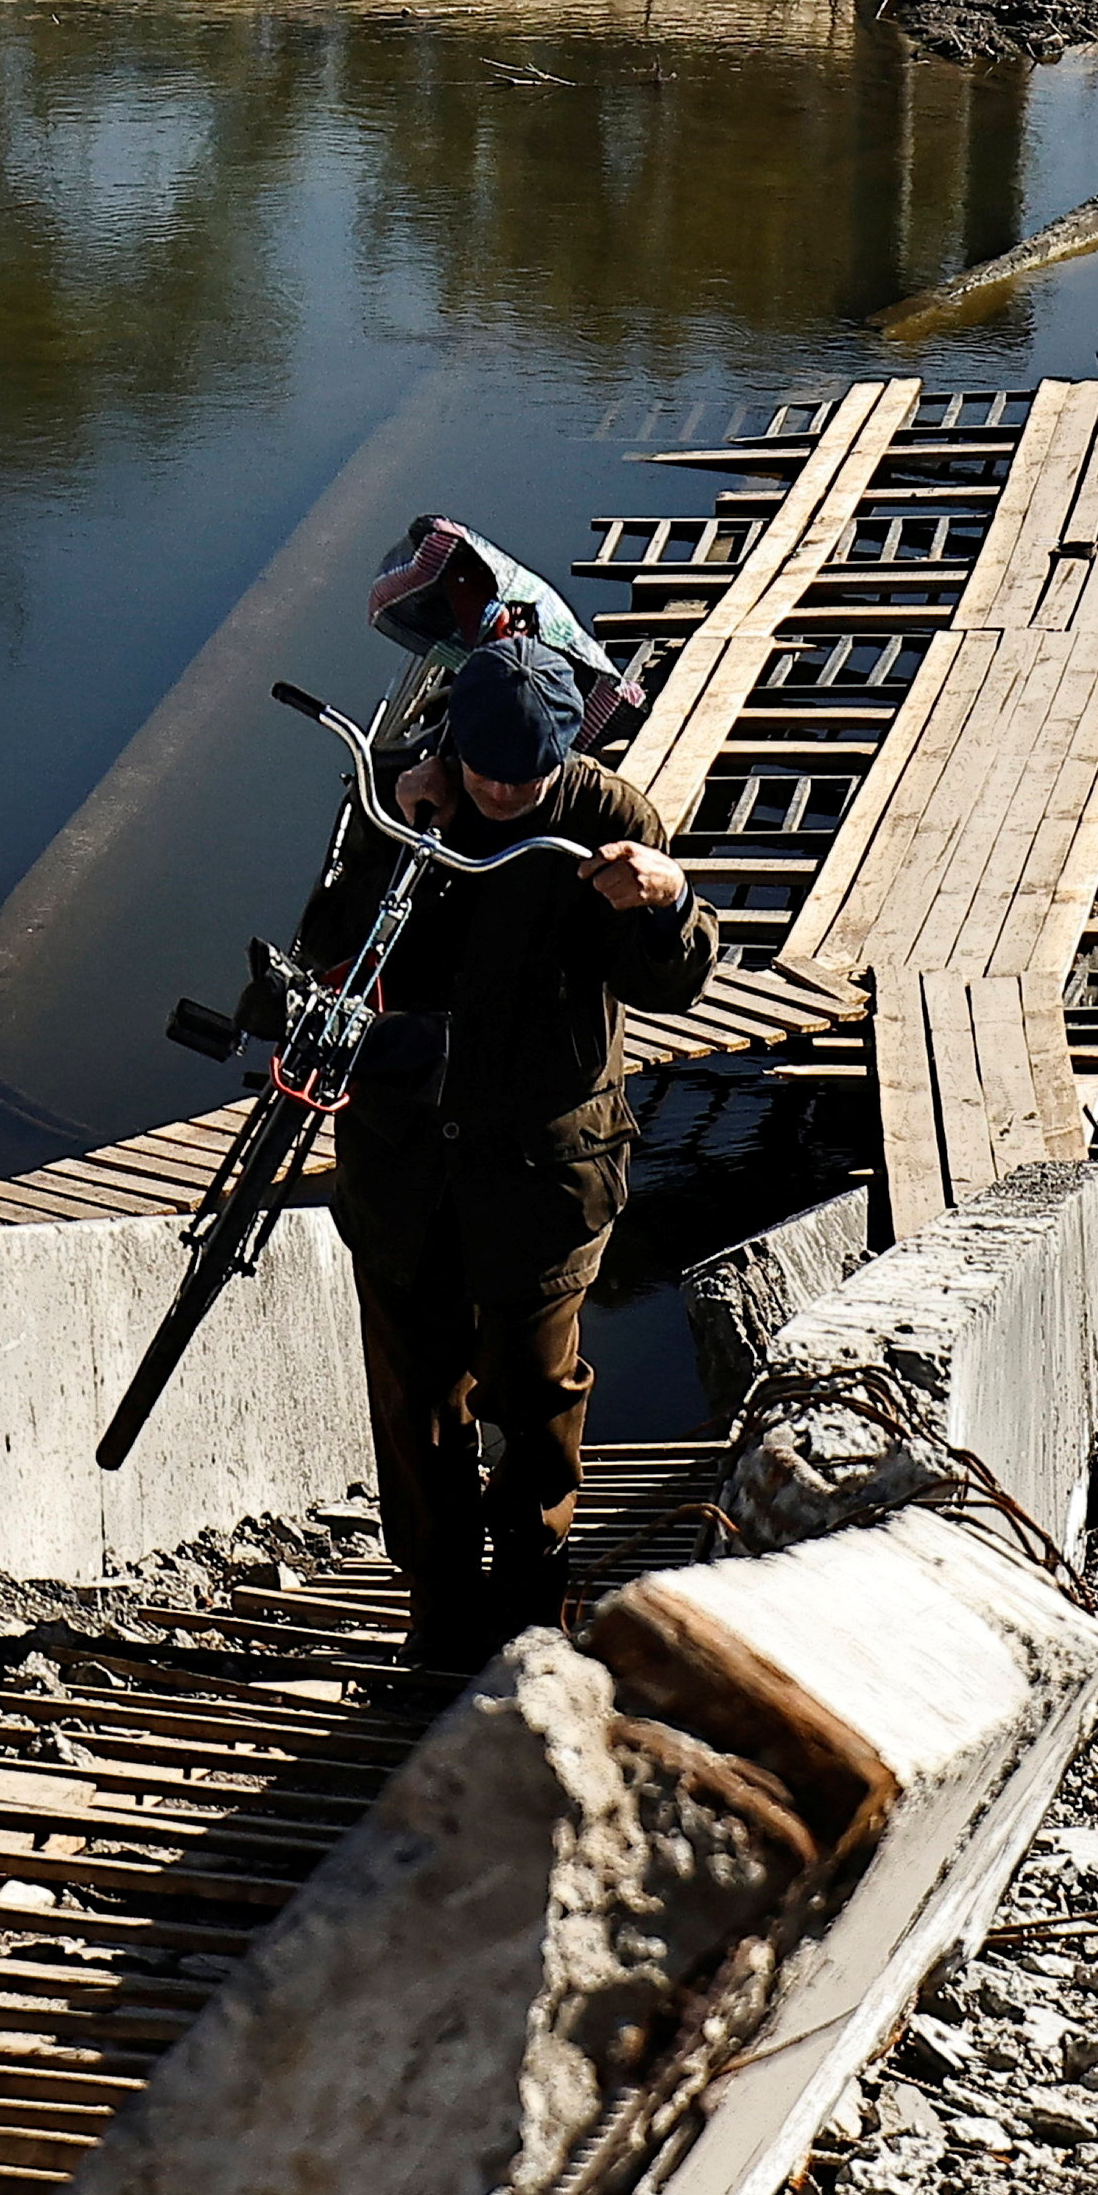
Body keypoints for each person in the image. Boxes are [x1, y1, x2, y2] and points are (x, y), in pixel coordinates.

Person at [319, 624, 716, 1655]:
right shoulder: (405, 799)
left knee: (534, 1388)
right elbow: (330, 945)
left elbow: (666, 980)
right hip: (406, 1168)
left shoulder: (603, 816)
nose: (503, 795)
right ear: (456, 750)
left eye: (526, 776)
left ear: (561, 754)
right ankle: (438, 1609)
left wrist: (669, 903)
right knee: (416, 1397)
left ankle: (535, 1600)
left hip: (543, 1174)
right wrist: (396, 843)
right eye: (486, 773)